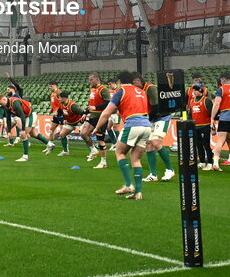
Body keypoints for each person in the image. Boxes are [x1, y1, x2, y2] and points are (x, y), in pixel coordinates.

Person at [96, 71, 152, 200]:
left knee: (119, 152)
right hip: (146, 126)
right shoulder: (141, 91)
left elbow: (106, 113)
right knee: (136, 159)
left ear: (119, 82)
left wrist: (98, 128)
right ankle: (138, 192)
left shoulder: (121, 91)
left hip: (133, 125)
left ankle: (128, 185)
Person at [0, 94, 51, 161]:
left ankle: (25, 156)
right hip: (26, 116)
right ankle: (49, 144)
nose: (1, 105)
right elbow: (8, 118)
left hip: (30, 115)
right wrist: (8, 131)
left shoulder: (15, 103)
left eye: (1, 103)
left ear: (4, 99)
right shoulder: (6, 106)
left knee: (23, 134)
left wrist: (22, 129)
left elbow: (22, 116)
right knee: (33, 134)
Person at [80, 73, 111, 169]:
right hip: (92, 116)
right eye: (89, 79)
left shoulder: (103, 89)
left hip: (101, 117)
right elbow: (91, 103)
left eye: (91, 79)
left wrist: (96, 107)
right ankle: (93, 150)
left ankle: (103, 161)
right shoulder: (93, 90)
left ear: (97, 80)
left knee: (100, 140)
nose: (90, 81)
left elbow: (108, 104)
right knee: (83, 133)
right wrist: (85, 112)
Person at [45, 92, 87, 156]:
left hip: (78, 122)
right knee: (62, 135)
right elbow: (60, 112)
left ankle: (92, 151)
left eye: (60, 98)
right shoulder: (61, 105)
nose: (58, 99)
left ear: (64, 98)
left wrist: (81, 122)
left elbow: (83, 114)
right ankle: (65, 151)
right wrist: (64, 119)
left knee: (84, 136)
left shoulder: (73, 105)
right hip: (70, 123)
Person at [187, 75, 215, 170]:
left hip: (205, 126)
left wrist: (213, 126)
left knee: (206, 145)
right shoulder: (191, 101)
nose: (194, 92)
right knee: (198, 145)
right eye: (193, 90)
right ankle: (202, 162)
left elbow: (212, 114)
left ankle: (210, 163)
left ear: (200, 91)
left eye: (196, 90)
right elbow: (190, 114)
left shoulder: (206, 100)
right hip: (196, 126)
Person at [46, 80, 63, 145]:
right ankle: (50, 145)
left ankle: (66, 149)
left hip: (61, 114)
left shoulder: (59, 93)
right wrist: (51, 109)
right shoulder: (52, 94)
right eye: (49, 86)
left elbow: (62, 104)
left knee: (62, 132)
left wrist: (57, 111)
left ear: (55, 86)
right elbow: (53, 103)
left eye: (51, 86)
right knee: (51, 129)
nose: (49, 88)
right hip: (55, 114)